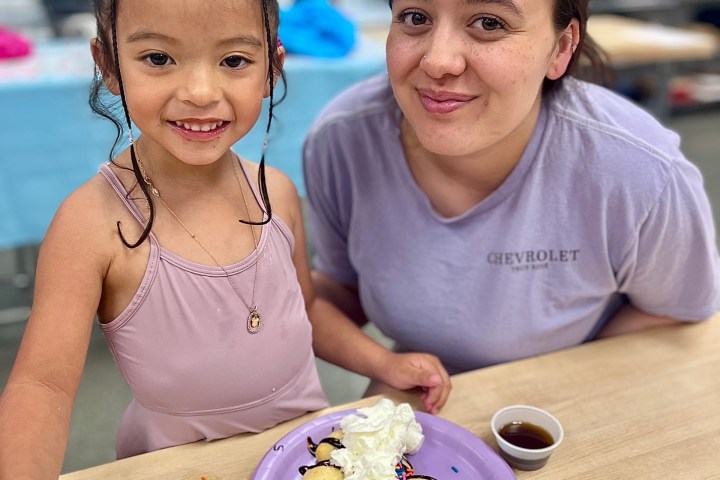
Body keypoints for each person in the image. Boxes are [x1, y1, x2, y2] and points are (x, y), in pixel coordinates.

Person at [0, 0, 448, 477]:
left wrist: (384, 363)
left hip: (303, 455)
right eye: (158, 58)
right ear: (109, 66)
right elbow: (41, 388)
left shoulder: (275, 191)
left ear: (272, 68)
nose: (199, 92)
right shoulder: (92, 223)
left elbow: (306, 311)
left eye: (234, 61)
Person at [303, 0, 720, 397]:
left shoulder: (638, 171)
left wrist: (542, 389)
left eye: (489, 23)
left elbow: (676, 313)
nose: (437, 61)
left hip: (573, 396)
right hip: (421, 393)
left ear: (560, 49)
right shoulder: (343, 142)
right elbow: (343, 286)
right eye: (415, 17)